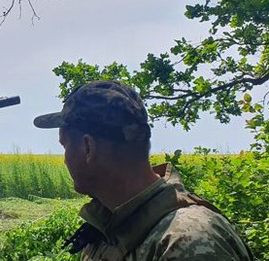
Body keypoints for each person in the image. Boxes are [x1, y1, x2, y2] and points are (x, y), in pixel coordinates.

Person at [33, 80, 252, 260]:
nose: (65, 160)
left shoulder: (188, 240)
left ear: (88, 148)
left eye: (65, 145)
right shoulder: (109, 231)